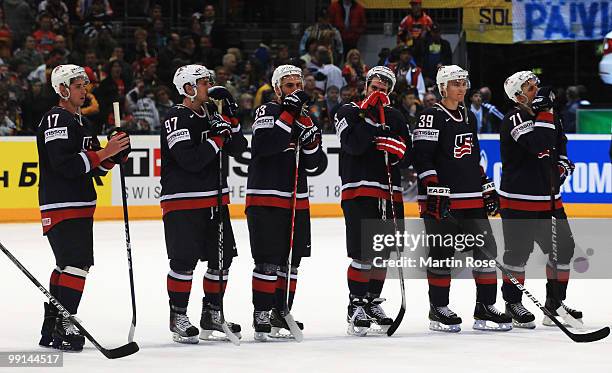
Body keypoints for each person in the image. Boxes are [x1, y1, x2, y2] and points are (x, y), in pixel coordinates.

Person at [36, 64, 130, 351]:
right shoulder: (56, 119)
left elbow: (95, 168)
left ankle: (52, 324)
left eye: (85, 85)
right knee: (77, 262)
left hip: (79, 203)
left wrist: (116, 153)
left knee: (67, 264)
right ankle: (66, 322)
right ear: (62, 89)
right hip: (62, 202)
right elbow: (64, 165)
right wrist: (105, 152)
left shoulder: (81, 122)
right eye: (78, 85)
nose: (84, 90)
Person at [413, 65, 511, 333]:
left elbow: (472, 158)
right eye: (455, 83)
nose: (462, 87)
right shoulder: (430, 116)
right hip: (442, 201)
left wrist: (486, 185)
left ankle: (485, 307)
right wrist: (433, 188)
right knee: (442, 256)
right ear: (443, 87)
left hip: (471, 199)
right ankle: (438, 308)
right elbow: (421, 157)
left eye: (464, 83)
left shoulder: (469, 117)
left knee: (486, 252)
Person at [160, 65, 247, 344]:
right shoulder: (176, 116)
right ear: (187, 88)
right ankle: (178, 316)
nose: (209, 85)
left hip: (216, 200)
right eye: (203, 82)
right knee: (184, 262)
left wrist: (232, 120)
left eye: (210, 80)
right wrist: (217, 137)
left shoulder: (212, 114)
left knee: (222, 261)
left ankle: (212, 313)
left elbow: (238, 148)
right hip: (183, 202)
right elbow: (190, 160)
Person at [246, 64, 323, 340]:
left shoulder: (306, 118)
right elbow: (265, 145)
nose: (295, 91)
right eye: (289, 86)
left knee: (292, 262)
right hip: (266, 198)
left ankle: (282, 311)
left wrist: (311, 139)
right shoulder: (267, 111)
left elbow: (317, 165)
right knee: (268, 261)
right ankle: (262, 314)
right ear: (277, 89)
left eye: (298, 86)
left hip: (296, 201)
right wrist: (289, 113)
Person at [334, 66, 411, 335]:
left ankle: (370, 301)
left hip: (389, 192)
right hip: (359, 190)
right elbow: (353, 145)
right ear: (366, 86)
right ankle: (355, 304)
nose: (379, 92)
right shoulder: (348, 111)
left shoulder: (395, 116)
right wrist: (367, 114)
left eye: (384, 89)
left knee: (384, 252)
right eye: (375, 87)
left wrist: (399, 149)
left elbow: (408, 154)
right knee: (362, 252)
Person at [500, 71, 580, 329]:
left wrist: (563, 167)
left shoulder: (550, 116)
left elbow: (560, 146)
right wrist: (545, 112)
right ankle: (513, 304)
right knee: (517, 255)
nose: (537, 89)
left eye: (536, 85)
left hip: (550, 200)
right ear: (517, 95)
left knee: (564, 250)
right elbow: (538, 143)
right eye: (530, 87)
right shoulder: (514, 118)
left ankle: (554, 304)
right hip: (519, 199)